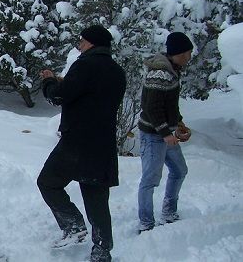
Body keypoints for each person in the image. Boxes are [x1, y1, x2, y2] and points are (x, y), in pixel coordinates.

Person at [37, 25, 126, 262]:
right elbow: (91, 94)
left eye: (82, 41)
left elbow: (59, 95)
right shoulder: (117, 71)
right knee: (96, 196)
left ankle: (74, 227)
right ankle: (102, 250)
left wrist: (48, 81)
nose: (79, 45)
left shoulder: (85, 64)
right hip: (103, 142)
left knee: (48, 182)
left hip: (76, 142)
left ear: (92, 43)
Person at [137, 32, 193, 234]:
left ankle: (169, 213)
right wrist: (165, 133)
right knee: (150, 180)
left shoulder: (172, 70)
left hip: (165, 133)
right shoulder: (160, 73)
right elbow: (152, 108)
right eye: (186, 53)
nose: (189, 57)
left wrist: (178, 123)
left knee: (179, 170)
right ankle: (146, 223)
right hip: (154, 135)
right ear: (177, 53)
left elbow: (169, 104)